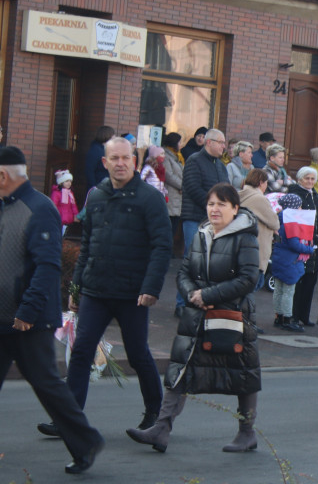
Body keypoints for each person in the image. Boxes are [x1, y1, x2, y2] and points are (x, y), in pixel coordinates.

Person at [38, 136, 172, 438]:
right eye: (115, 158)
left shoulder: (150, 198)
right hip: (96, 291)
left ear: (134, 162)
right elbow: (87, 245)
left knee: (138, 355)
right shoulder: (96, 196)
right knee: (82, 350)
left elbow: (162, 246)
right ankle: (68, 420)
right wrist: (76, 289)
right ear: (105, 162)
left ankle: (155, 414)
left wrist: (151, 287)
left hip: (133, 293)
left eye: (126, 158)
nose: (121, 163)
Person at [127, 183, 262, 453]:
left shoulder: (245, 237)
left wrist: (209, 295)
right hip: (197, 317)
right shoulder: (201, 234)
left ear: (235, 209)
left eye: (222, 204)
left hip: (231, 317)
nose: (215, 209)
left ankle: (247, 433)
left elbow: (249, 278)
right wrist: (193, 294)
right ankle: (161, 429)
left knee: (243, 374)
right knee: (181, 369)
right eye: (211, 203)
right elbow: (184, 271)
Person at [0, 146, 105, 474]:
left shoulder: (39, 208)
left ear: (3, 175)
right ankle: (85, 440)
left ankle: (85, 441)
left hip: (27, 319)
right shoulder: (5, 207)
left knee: (46, 383)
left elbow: (47, 266)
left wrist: (27, 312)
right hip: (4, 315)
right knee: (45, 382)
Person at [178, 128, 228, 315]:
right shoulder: (194, 161)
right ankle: (182, 304)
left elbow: (227, 189)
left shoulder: (220, 165)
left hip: (216, 222)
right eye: (221, 142)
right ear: (209, 142)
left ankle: (203, 300)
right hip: (195, 218)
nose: (224, 146)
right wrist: (213, 207)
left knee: (210, 263)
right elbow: (192, 188)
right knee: (192, 261)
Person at [270, 194, 317, 332]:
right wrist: (310, 249)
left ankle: (278, 317)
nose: (301, 208)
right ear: (294, 206)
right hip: (289, 260)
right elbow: (294, 244)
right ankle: (287, 319)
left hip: (279, 257)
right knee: (288, 291)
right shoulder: (291, 221)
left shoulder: (279, 218)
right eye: (299, 205)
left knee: (278, 289)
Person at [288, 166, 318, 327]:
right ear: (300, 179)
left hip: (316, 246)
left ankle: (305, 316)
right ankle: (294, 316)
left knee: (311, 281)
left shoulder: (316, 195)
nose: (310, 181)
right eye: (307, 178)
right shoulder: (295, 195)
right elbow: (297, 221)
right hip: (302, 244)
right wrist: (312, 238)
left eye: (312, 179)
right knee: (299, 282)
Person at [238, 169, 279, 294]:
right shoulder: (259, 199)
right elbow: (274, 222)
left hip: (241, 249)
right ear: (261, 182)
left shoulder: (239, 194)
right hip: (257, 251)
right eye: (266, 183)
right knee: (251, 291)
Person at [162, 132, 185, 256]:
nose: (181, 145)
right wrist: (182, 185)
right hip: (171, 195)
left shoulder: (177, 156)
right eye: (180, 142)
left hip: (177, 197)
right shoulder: (166, 156)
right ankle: (166, 251)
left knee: (174, 225)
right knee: (169, 226)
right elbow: (168, 175)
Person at [51, 169, 78, 235]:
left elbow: (73, 206)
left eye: (70, 181)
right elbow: (54, 205)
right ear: (61, 182)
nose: (69, 183)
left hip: (68, 218)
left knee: (64, 234)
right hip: (59, 218)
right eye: (66, 181)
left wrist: (76, 215)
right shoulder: (56, 193)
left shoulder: (70, 193)